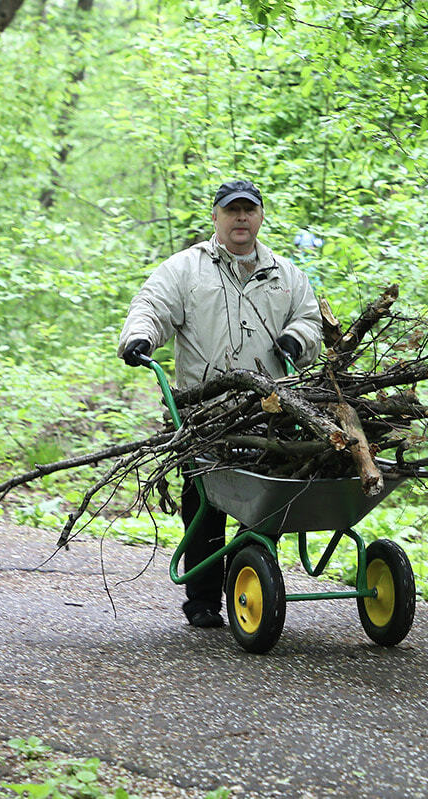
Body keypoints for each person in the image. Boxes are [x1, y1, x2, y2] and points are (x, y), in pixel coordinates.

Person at [118, 179, 322, 628]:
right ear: (216, 217)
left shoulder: (286, 275)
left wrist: (298, 338)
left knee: (265, 501)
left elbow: (311, 320)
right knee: (205, 504)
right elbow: (151, 305)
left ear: (261, 216)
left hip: (269, 413)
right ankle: (204, 600)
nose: (241, 218)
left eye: (249, 210)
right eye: (232, 211)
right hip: (205, 415)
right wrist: (139, 338)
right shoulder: (186, 269)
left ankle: (250, 584)